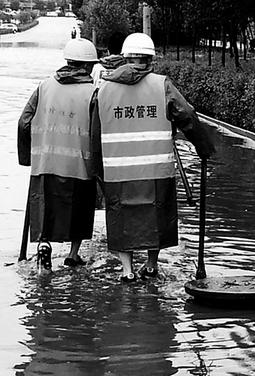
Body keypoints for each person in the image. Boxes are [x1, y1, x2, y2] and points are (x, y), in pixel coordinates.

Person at [90, 32, 215, 282]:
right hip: (156, 171)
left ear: (124, 59)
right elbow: (187, 115)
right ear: (151, 60)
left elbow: (94, 135)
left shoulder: (103, 90)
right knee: (155, 216)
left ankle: (127, 270)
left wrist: (96, 170)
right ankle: (150, 264)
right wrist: (204, 148)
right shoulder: (162, 85)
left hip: (118, 172)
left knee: (121, 216)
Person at [18, 38, 99, 269]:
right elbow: (97, 130)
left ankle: (44, 244)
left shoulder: (44, 86)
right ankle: (73, 254)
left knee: (45, 206)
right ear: (85, 66)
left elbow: (24, 122)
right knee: (80, 211)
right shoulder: (93, 92)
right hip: (79, 165)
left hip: (45, 163)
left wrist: (28, 158)